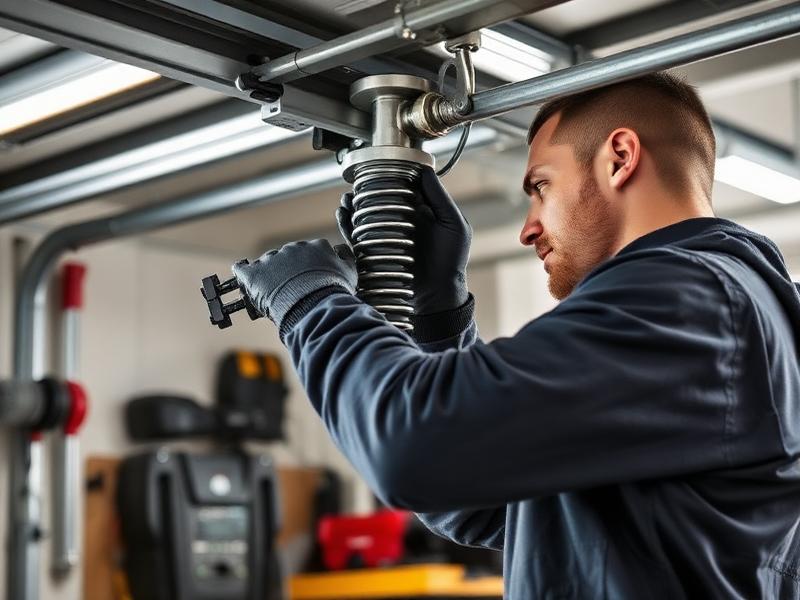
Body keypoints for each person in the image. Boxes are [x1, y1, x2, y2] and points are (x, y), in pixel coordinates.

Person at [233, 71, 800, 598]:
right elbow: (471, 495)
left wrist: (308, 300)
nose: (530, 227)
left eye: (541, 186)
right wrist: (439, 314)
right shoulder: (727, 309)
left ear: (621, 158)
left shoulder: (689, 298)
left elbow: (413, 449)